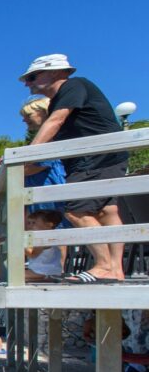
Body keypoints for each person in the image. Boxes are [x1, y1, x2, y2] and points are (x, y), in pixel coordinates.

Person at [20, 54, 128, 282]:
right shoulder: (63, 98)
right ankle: (115, 270)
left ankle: (104, 265)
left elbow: (55, 122)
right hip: (106, 157)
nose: (27, 83)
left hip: (95, 158)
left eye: (32, 77)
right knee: (106, 211)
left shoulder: (73, 86)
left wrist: (25, 157)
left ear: (55, 72)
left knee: (76, 211)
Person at [25, 209, 66, 281]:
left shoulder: (43, 238)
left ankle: (40, 278)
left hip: (42, 271)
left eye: (34, 223)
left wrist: (21, 244)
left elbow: (33, 254)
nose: (30, 226)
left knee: (12, 275)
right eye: (29, 223)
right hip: (49, 271)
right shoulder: (51, 237)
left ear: (48, 225)